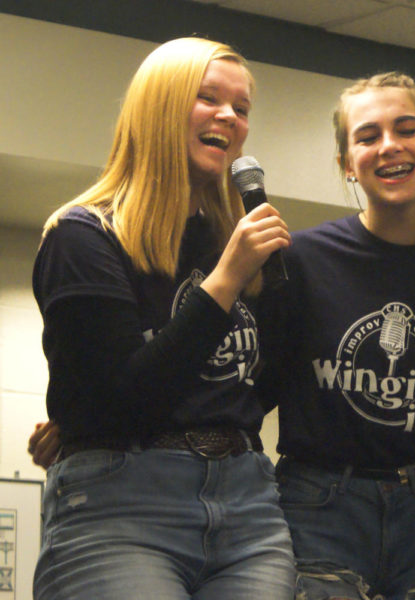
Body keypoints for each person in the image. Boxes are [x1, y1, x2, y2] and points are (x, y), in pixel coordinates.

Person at [31, 37, 296, 599]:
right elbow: (119, 399)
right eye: (208, 98)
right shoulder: (84, 235)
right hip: (123, 507)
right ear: (159, 108)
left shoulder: (235, 245)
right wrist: (224, 282)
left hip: (248, 510)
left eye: (241, 109)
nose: (229, 116)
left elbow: (251, 387)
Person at [259, 72, 415, 600]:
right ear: (348, 162)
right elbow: (241, 387)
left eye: (406, 129)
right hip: (317, 500)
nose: (388, 146)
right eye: (367, 136)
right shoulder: (300, 260)